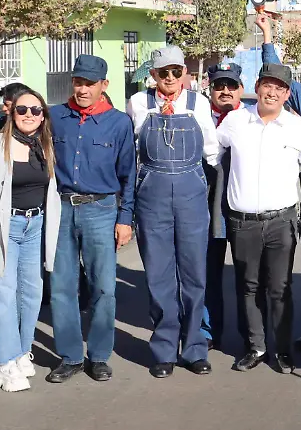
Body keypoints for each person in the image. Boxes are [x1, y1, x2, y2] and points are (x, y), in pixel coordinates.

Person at [126, 46, 218, 378]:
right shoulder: (138, 104)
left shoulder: (199, 104)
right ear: (153, 74)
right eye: (163, 72)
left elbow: (213, 153)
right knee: (159, 275)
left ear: (185, 74)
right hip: (153, 196)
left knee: (194, 275)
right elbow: (130, 154)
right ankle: (164, 348)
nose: (169, 78)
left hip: (191, 193)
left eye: (176, 71)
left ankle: (194, 346)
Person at [218, 62, 301, 374]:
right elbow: (211, 153)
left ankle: (283, 350)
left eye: (280, 88)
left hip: (281, 222)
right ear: (257, 87)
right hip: (243, 221)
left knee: (279, 288)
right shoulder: (235, 120)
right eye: (267, 85)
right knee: (247, 286)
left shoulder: (296, 127)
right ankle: (255, 346)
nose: (272, 92)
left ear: (287, 93)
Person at [46, 55, 137, 384]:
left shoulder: (119, 123)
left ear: (103, 86)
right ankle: (70, 356)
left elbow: (129, 176)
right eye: (78, 82)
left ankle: (98, 356)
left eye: (90, 83)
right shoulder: (55, 117)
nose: (83, 89)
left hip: (101, 210)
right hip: (61, 208)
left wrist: (125, 218)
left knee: (103, 287)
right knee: (61, 287)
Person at [0, 87, 60, 392]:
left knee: (32, 293)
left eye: (35, 110)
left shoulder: (44, 144)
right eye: (22, 110)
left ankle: (21, 351)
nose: (29, 115)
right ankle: (4, 363)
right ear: (12, 112)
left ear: (43, 114)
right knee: (3, 294)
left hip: (36, 225)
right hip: (1, 227)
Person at [201, 60, 246, 349]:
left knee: (249, 278)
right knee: (208, 276)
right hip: (208, 209)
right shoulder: (199, 116)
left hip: (246, 211)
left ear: (241, 89)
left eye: (231, 85)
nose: (225, 91)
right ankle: (208, 331)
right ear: (210, 88)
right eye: (219, 85)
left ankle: (252, 336)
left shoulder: (254, 119)